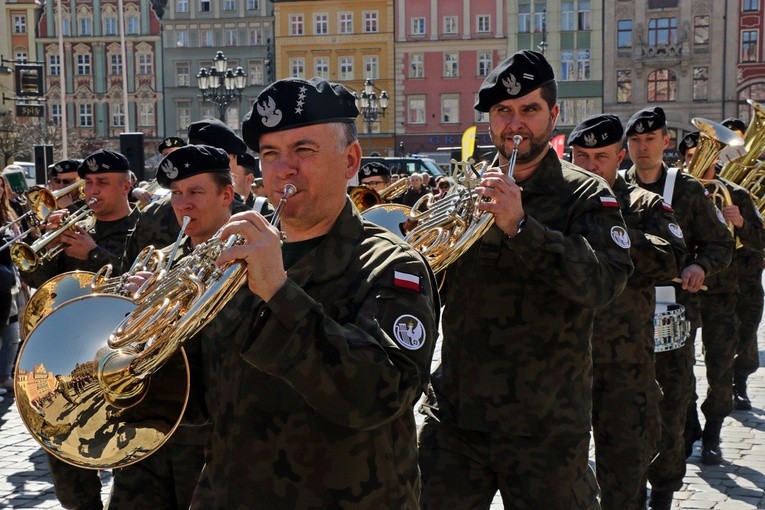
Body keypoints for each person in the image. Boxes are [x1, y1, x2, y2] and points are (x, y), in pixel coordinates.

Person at [185, 76, 439, 508]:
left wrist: (279, 292)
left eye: (303, 150)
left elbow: (379, 396)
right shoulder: (231, 258)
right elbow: (197, 404)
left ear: (350, 159)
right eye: (270, 154)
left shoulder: (392, 266)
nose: (284, 169)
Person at [417, 50, 633, 509]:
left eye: (529, 110)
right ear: (489, 122)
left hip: (545, 425)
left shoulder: (587, 193)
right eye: (502, 112)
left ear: (553, 115)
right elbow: (434, 288)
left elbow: (603, 283)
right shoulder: (466, 192)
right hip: (457, 418)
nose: (515, 124)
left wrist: (522, 227)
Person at [108, 144, 236, 509]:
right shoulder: (165, 259)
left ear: (226, 195)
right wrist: (131, 307)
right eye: (177, 194)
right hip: (149, 432)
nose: (183, 204)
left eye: (196, 192)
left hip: (211, 437)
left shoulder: (251, 254)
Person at [569, 114, 687, 509]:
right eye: (580, 156)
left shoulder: (644, 204)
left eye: (600, 157)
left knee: (624, 479)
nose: (589, 166)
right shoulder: (551, 205)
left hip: (624, 368)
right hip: (558, 370)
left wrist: (611, 232)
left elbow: (671, 257)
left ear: (621, 157)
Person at [18, 149, 142, 510]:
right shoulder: (73, 226)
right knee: (68, 468)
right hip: (69, 359)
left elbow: (139, 287)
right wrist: (47, 243)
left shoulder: (145, 227)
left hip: (119, 359)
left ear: (126, 185)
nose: (93, 191)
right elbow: (42, 284)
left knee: (129, 465)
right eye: (88, 183)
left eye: (103, 183)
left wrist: (95, 254)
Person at [622, 107, 733, 510]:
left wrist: (699, 265)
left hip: (673, 316)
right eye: (634, 141)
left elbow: (720, 243)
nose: (642, 148)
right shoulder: (614, 188)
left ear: (665, 142)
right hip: (624, 319)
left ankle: (664, 491)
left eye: (649, 139)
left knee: (671, 406)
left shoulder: (686, 190)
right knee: (625, 409)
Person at [678, 130, 765, 465]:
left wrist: (741, 222)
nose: (694, 163)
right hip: (684, 294)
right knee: (679, 368)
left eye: (699, 156)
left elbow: (760, 242)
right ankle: (689, 427)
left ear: (716, 158)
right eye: (688, 158)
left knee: (720, 368)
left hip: (723, 293)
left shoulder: (735, 194)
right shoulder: (675, 192)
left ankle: (713, 432)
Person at [721, 116, 764, 411]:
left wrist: (744, 221)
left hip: (748, 269)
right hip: (719, 273)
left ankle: (741, 381)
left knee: (747, 331)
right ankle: (722, 388)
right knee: (720, 337)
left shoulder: (758, 182)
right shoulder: (706, 182)